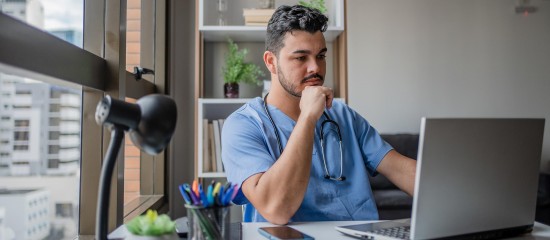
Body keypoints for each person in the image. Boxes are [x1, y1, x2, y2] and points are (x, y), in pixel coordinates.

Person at [221, 5, 416, 225]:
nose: (315, 68)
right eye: (301, 58)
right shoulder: (243, 125)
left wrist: (448, 189)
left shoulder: (343, 115)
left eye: (320, 56)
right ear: (271, 62)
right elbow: (275, 209)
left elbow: (401, 170)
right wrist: (308, 118)